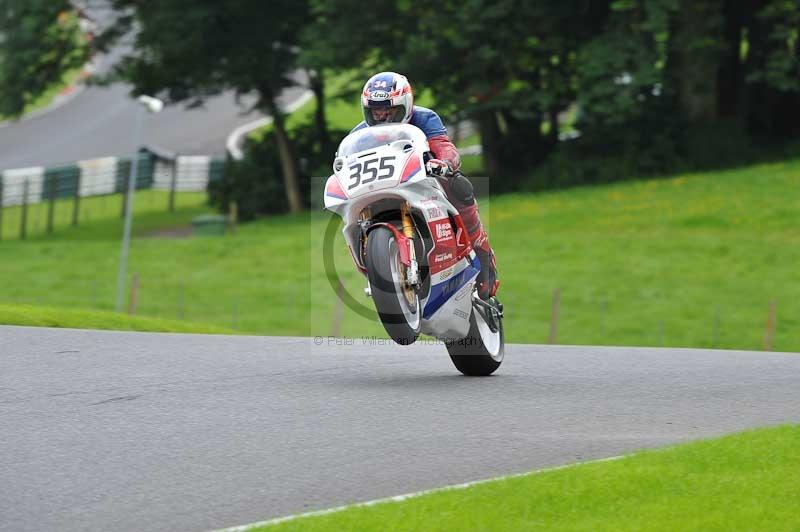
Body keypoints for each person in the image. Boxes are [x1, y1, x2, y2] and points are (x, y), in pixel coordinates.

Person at [352, 71, 499, 299]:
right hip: (379, 188)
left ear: (405, 104)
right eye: (375, 110)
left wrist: (445, 163)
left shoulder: (425, 118)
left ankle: (481, 249)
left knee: (460, 186)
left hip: (422, 181)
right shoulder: (359, 135)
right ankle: (376, 264)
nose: (381, 115)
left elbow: (444, 146)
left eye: (388, 109)